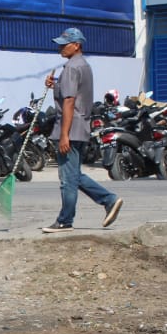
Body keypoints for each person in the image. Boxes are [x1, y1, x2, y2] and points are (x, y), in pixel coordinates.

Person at [40, 27, 123, 233]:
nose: (60, 47)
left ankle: (65, 220)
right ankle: (108, 200)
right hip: (81, 125)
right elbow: (70, 92)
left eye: (64, 44)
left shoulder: (71, 68)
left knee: (68, 178)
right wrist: (55, 85)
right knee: (74, 174)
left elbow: (69, 102)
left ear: (76, 45)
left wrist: (64, 135)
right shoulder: (83, 66)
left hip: (70, 127)